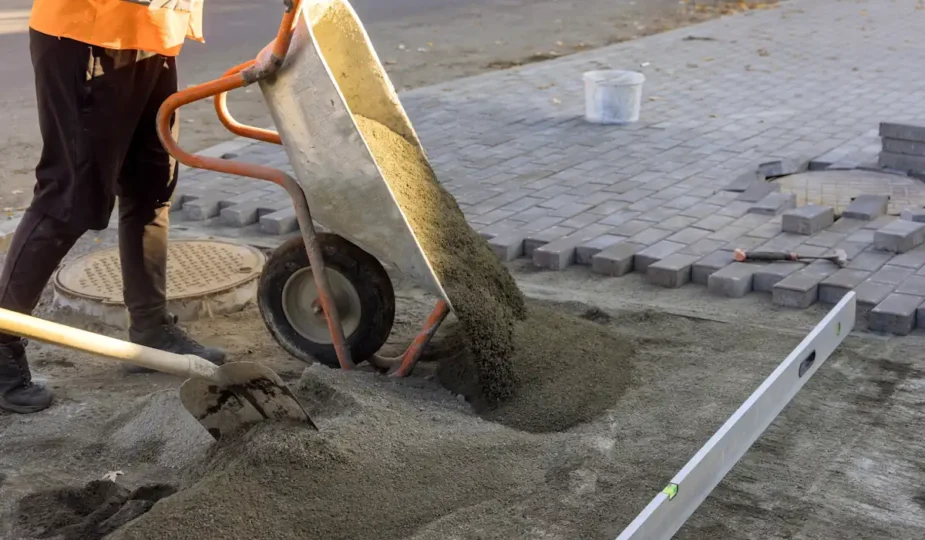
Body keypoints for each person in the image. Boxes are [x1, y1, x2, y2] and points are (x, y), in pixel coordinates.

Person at [0, 0, 226, 414]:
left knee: (152, 188)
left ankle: (151, 329)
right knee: (68, 200)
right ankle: (0, 345)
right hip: (87, 35)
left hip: (154, 36)